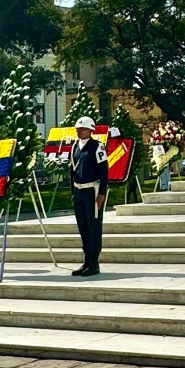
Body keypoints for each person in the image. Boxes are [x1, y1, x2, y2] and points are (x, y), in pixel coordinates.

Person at [69, 116, 108, 277]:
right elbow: (72, 171)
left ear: (90, 130)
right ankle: (86, 261)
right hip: (79, 191)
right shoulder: (74, 147)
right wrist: (73, 192)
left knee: (94, 227)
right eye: (78, 129)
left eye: (82, 129)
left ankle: (94, 262)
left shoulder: (97, 146)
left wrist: (102, 193)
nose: (79, 132)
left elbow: (104, 170)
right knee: (83, 227)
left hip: (93, 190)